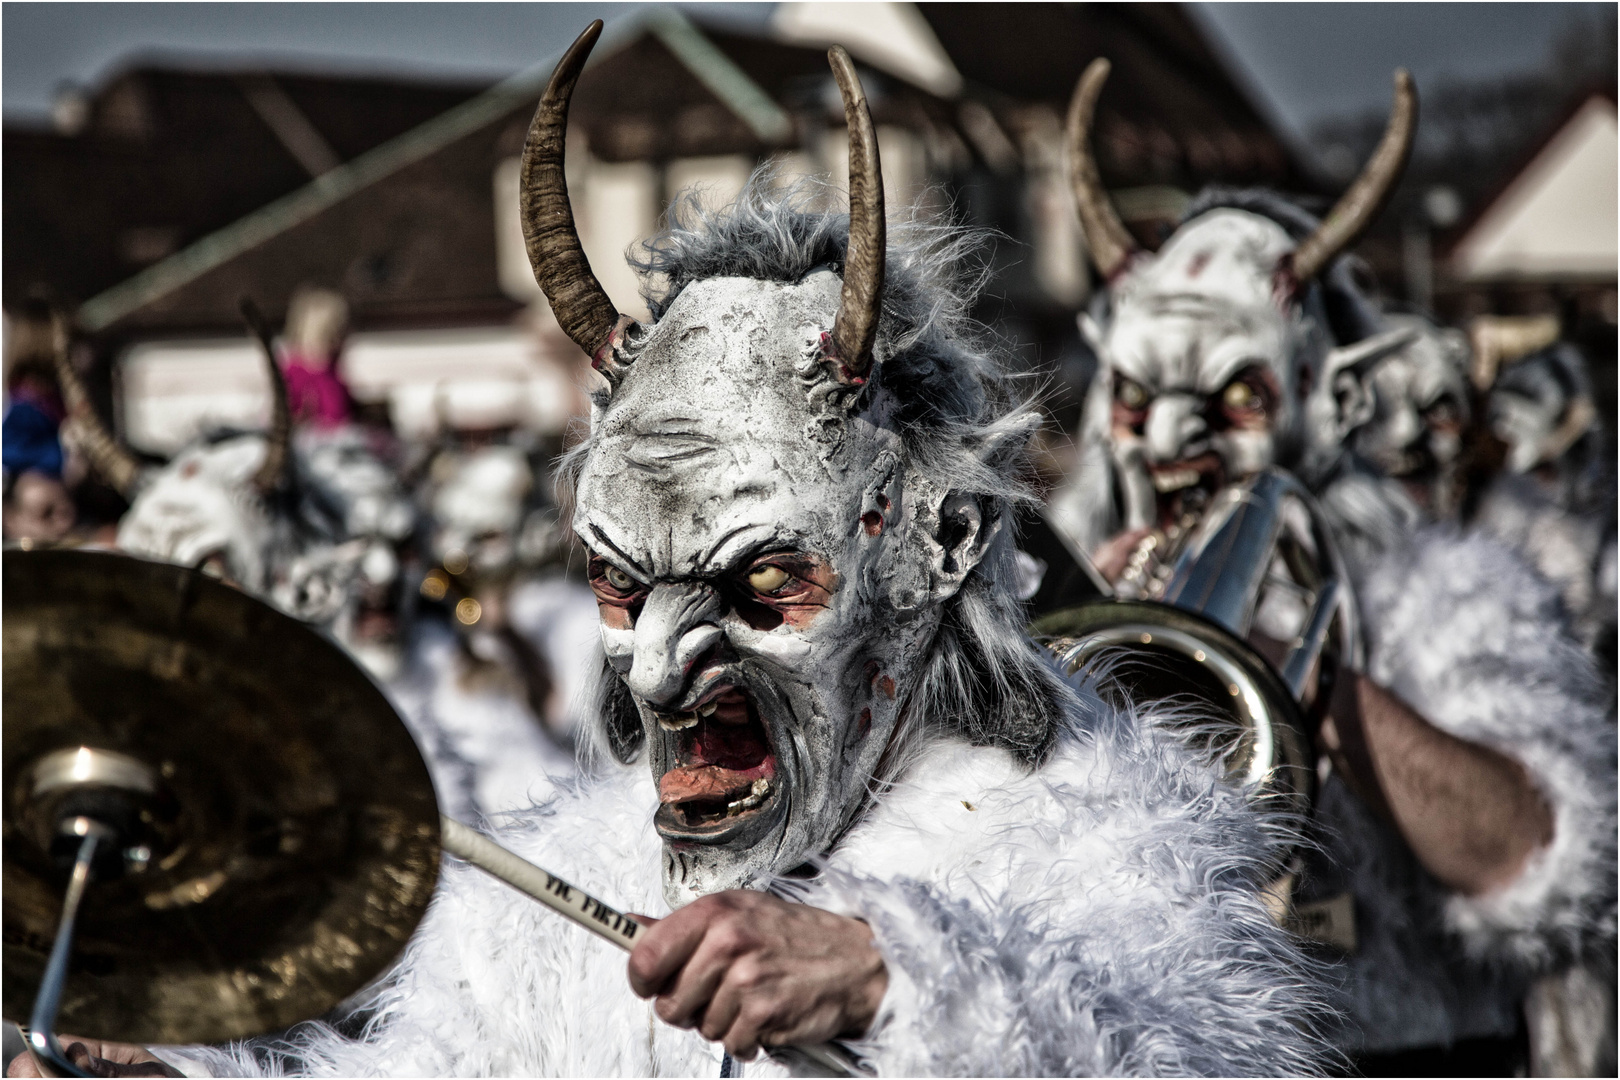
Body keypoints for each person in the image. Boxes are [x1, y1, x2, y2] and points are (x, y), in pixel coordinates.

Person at [15, 30, 1337, 1078]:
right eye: (618, 584)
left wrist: (898, 980)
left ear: (931, 548)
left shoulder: (1091, 825)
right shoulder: (569, 887)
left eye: (766, 582)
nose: (655, 670)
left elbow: (1204, 1054)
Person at [1049, 59, 1615, 1071]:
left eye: (1239, 403)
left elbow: (1547, 872)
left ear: (1328, 401)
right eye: (1138, 402)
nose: (1175, 442)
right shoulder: (1063, 599)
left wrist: (1296, 672)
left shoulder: (1452, 594)